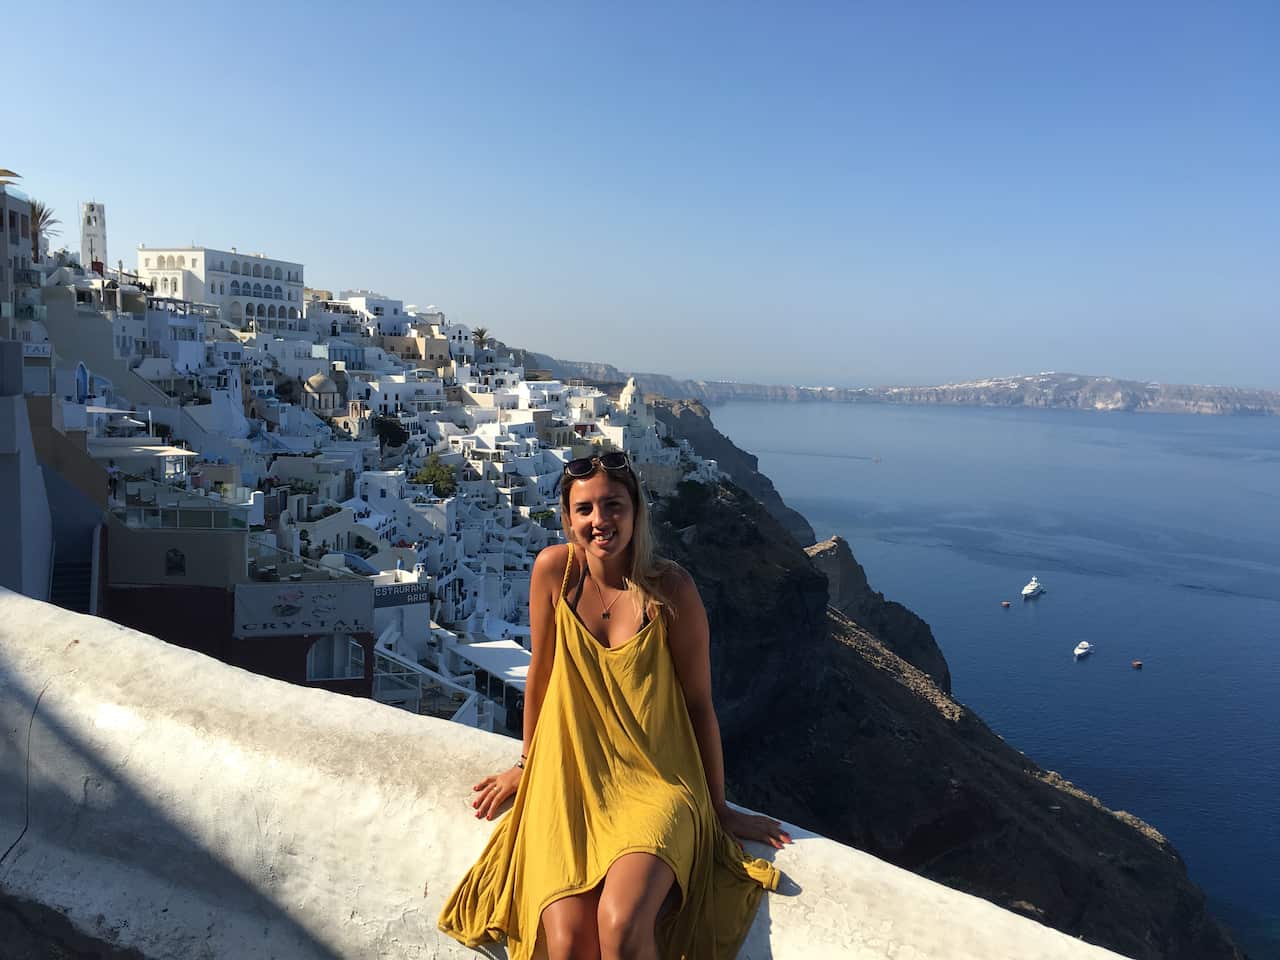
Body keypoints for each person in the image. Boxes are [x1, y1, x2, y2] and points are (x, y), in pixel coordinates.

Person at [439, 451, 792, 960]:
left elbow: (698, 706)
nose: (599, 521)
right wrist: (526, 764)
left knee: (621, 926)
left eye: (613, 505)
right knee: (564, 944)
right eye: (584, 510)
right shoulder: (554, 572)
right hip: (569, 778)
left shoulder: (671, 590)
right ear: (567, 519)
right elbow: (540, 675)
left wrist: (716, 808)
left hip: (658, 783)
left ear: (636, 511)